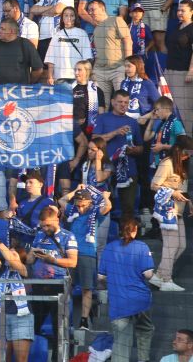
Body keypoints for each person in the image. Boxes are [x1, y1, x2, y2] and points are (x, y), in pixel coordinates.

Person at [99, 218, 155, 362]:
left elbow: (100, 277)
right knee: (145, 329)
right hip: (140, 300)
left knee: (122, 341)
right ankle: (143, 359)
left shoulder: (109, 248)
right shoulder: (142, 247)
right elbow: (148, 274)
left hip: (118, 301)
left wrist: (113, 284)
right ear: (135, 230)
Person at [26, 206, 78, 359]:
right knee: (33, 325)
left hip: (58, 286)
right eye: (42, 225)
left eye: (48, 225)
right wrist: (32, 253)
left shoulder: (68, 236)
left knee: (59, 328)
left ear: (56, 220)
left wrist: (52, 260)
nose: (45, 228)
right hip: (38, 285)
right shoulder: (39, 235)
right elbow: (29, 261)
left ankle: (58, 358)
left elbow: (73, 262)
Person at [59, 187, 112, 329]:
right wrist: (76, 189)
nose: (81, 208)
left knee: (86, 288)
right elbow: (62, 200)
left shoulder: (95, 212)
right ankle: (64, 319)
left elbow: (108, 207)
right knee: (67, 287)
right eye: (78, 205)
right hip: (70, 253)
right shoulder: (72, 210)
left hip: (87, 253)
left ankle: (83, 320)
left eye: (83, 205)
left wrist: (105, 196)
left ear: (90, 202)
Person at [0, 223, 33, 362]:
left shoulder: (25, 270)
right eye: (8, 252)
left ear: (21, 257)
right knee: (2, 358)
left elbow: (11, 260)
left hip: (21, 318)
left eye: (13, 253)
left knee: (21, 359)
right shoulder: (1, 270)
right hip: (1, 317)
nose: (8, 255)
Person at [149, 142, 193, 292]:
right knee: (171, 245)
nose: (188, 156)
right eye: (187, 152)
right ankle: (166, 279)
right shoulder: (167, 163)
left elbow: (182, 189)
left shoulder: (183, 165)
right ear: (179, 150)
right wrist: (172, 192)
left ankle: (159, 275)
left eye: (190, 153)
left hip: (179, 210)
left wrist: (189, 202)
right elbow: (154, 185)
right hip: (167, 210)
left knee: (181, 245)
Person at [92, 90, 144, 217]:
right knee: (103, 207)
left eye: (126, 102)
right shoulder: (103, 118)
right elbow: (94, 140)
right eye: (120, 102)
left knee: (128, 208)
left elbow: (141, 148)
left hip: (128, 170)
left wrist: (132, 150)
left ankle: (127, 229)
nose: (123, 105)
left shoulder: (133, 122)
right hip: (105, 168)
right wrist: (115, 132)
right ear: (112, 102)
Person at [87, 0, 132, 108]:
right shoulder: (96, 29)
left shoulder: (116, 20)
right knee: (101, 105)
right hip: (100, 71)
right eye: (89, 10)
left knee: (122, 102)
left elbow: (128, 41)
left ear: (102, 9)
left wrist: (128, 64)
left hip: (118, 68)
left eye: (93, 9)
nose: (90, 13)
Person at [0, 19, 44, 84]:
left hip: (19, 89)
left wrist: (28, 84)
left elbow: (38, 69)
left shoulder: (25, 44)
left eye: (3, 29)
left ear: (12, 31)